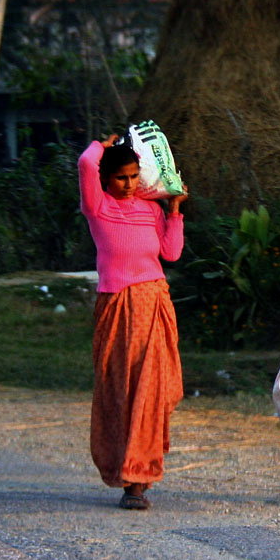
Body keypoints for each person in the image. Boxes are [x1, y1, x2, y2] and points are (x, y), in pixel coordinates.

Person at [78, 133, 189, 510]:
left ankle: (139, 479)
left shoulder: (150, 209)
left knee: (152, 391)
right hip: (116, 308)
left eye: (133, 176)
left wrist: (174, 212)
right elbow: (84, 164)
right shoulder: (98, 207)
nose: (128, 184)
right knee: (121, 389)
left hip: (154, 304)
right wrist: (101, 145)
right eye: (120, 177)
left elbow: (171, 253)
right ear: (107, 178)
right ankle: (124, 471)